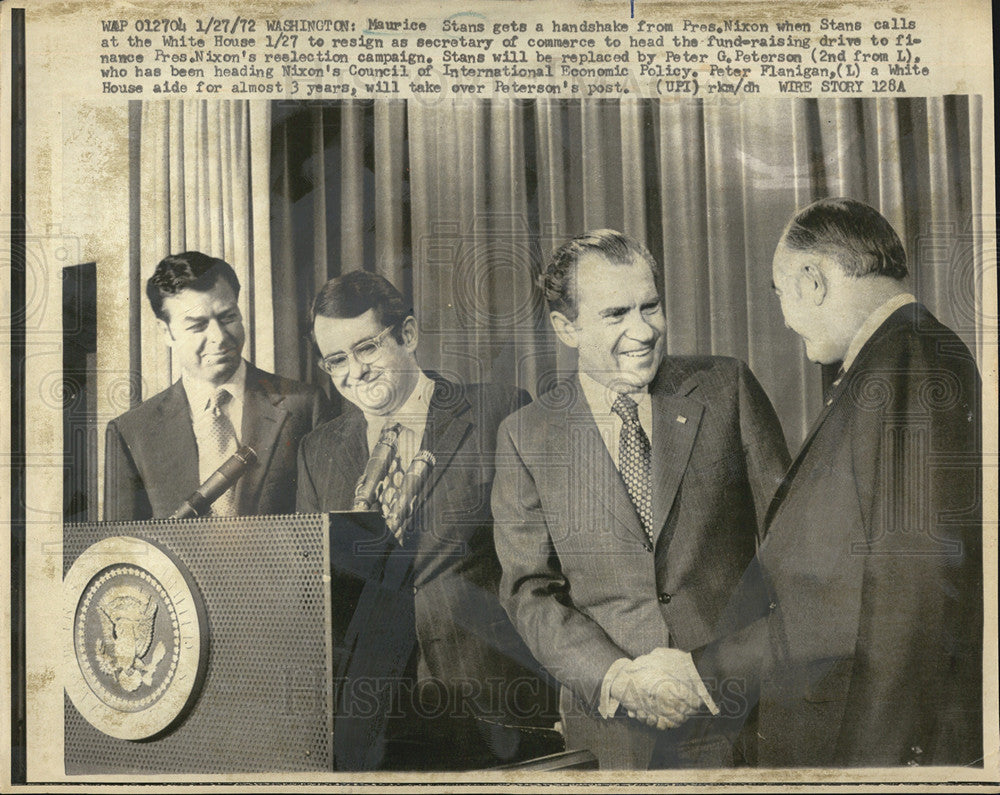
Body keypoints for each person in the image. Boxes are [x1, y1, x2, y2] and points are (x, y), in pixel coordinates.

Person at [638, 198, 984, 767]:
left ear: (811, 279)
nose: (785, 320)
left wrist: (706, 667)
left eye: (780, 295)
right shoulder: (893, 358)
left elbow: (907, 593)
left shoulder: (913, 357)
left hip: (874, 750)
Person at [491, 229, 790, 768]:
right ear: (566, 327)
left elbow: (791, 547)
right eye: (615, 314)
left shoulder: (727, 388)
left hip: (740, 715)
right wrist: (620, 680)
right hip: (612, 738)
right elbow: (528, 591)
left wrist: (727, 666)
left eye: (650, 306)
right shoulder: (526, 435)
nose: (643, 330)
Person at [296, 270, 559, 770]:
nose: (355, 371)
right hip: (375, 718)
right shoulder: (318, 452)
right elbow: (316, 595)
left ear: (409, 335)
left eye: (367, 348)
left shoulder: (498, 411)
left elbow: (545, 563)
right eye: (336, 360)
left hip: (497, 703)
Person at [104, 251, 332, 520]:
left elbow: (326, 532)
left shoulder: (306, 405)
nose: (219, 337)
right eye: (197, 325)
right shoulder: (132, 432)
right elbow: (123, 549)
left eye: (227, 318)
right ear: (166, 332)